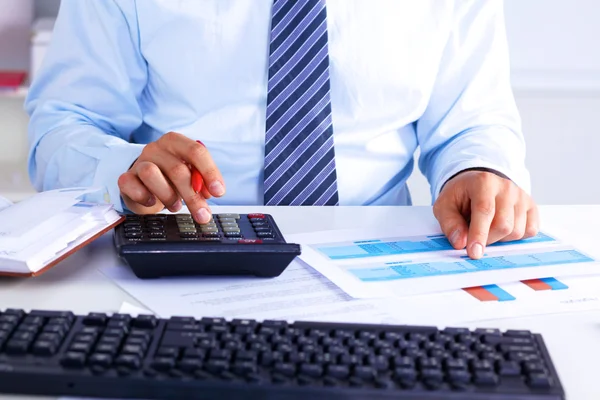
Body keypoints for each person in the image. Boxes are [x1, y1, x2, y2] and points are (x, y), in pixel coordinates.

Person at [25, 0, 538, 260]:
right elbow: (64, 124)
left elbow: (473, 120)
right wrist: (127, 168)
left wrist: (478, 168)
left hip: (377, 259)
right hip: (183, 247)